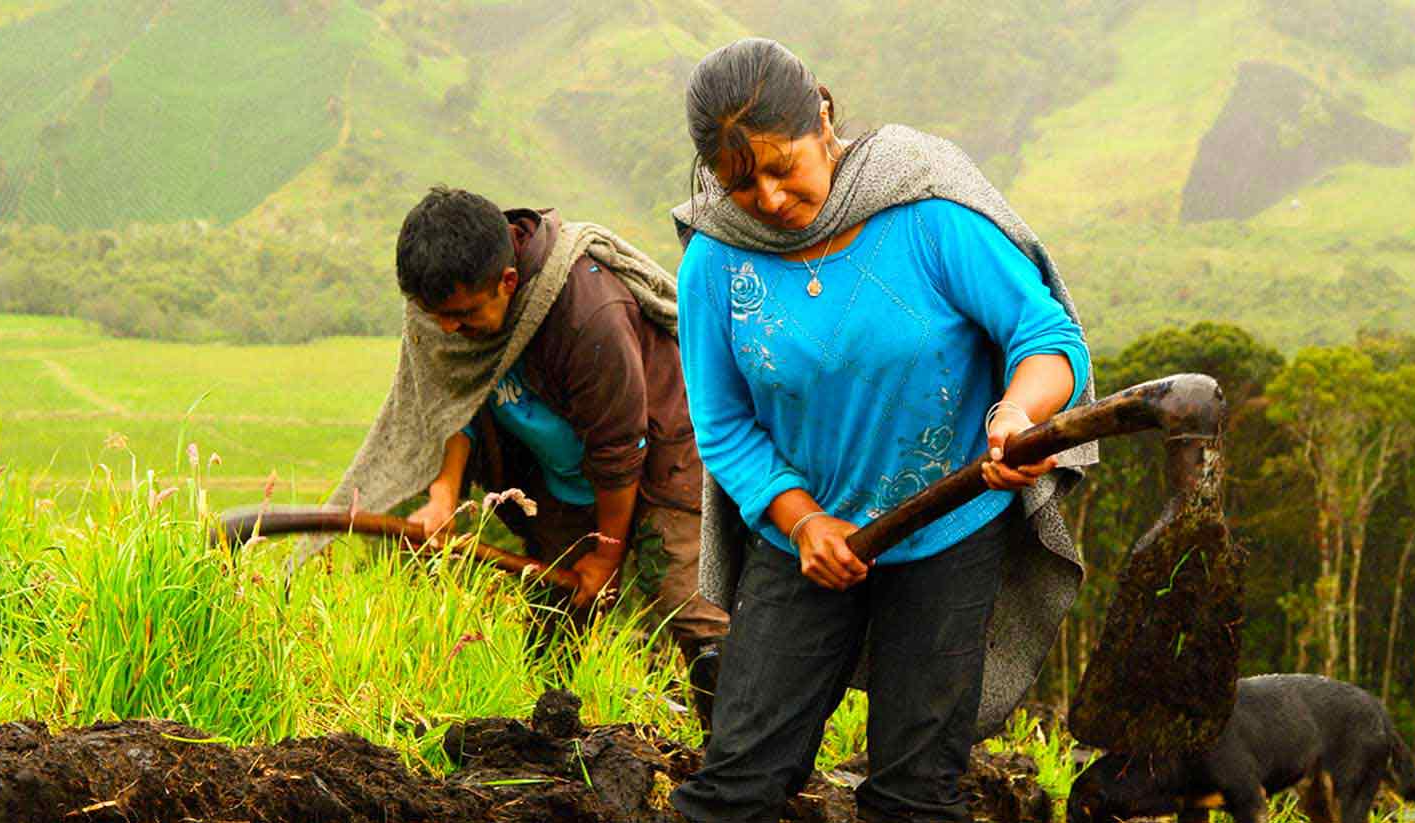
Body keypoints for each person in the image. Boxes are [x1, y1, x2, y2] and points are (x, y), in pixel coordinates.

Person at [666, 39, 1097, 822]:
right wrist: (802, 522)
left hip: (948, 529)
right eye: (737, 183)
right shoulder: (716, 262)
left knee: (913, 794)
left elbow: (1048, 338)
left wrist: (1018, 416)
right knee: (737, 779)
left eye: (780, 165)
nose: (764, 197)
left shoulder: (925, 208)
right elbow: (722, 424)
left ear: (822, 119)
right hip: (809, 538)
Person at [321, 186, 728, 718]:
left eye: (463, 316)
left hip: (658, 458)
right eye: (435, 316)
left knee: (686, 601)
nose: (448, 330)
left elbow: (619, 448)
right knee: (555, 618)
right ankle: (553, 749)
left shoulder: (586, 312)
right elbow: (452, 401)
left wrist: (605, 557)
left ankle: (734, 763)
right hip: (561, 480)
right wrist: (443, 498)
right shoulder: (442, 308)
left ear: (507, 283)